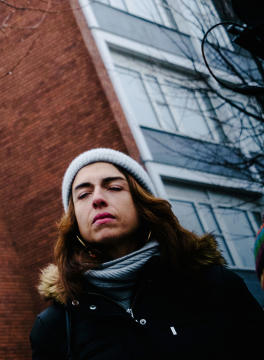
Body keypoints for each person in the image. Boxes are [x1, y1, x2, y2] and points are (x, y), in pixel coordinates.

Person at [29, 148, 264, 359]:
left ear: (142, 203)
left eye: (114, 187)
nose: (98, 199)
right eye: (83, 195)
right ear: (74, 221)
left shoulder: (216, 285)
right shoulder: (55, 326)